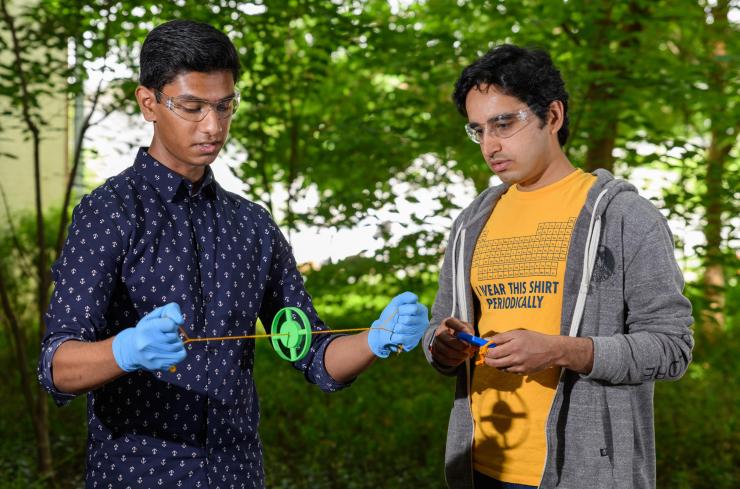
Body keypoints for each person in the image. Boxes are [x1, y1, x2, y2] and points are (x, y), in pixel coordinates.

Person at [38, 20, 429, 489]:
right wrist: (126, 350)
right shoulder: (109, 212)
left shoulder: (252, 225)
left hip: (238, 473)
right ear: (149, 104)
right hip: (138, 473)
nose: (213, 125)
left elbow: (313, 353)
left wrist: (373, 339)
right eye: (192, 106)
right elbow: (57, 366)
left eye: (225, 106)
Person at [423, 44, 693, 489]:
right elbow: (438, 327)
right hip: (479, 467)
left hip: (585, 472)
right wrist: (442, 346)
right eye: (477, 131)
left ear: (552, 116)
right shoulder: (473, 221)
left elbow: (671, 347)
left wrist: (561, 350)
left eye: (504, 123)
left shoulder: (624, 217)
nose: (490, 145)